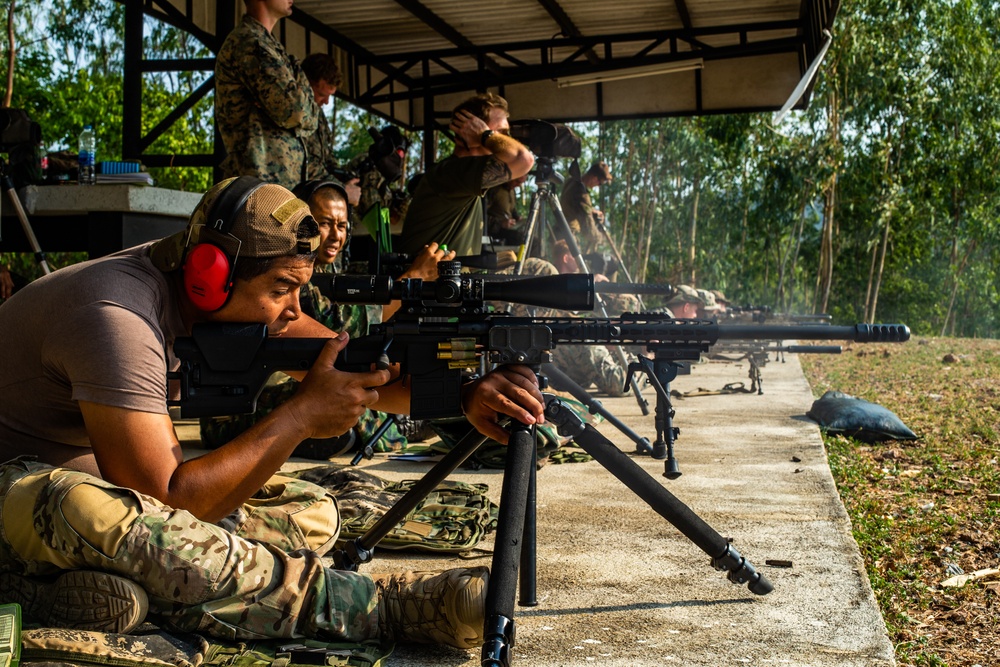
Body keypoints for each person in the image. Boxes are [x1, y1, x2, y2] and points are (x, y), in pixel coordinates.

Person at [0, 176, 546, 649]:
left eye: (299, 289)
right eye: (282, 289)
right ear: (208, 276)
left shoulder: (201, 281)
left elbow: (350, 361)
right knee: (107, 519)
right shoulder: (115, 317)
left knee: (315, 512)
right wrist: (298, 419)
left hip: (86, 488)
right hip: (25, 493)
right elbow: (168, 500)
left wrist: (468, 391)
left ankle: (57, 590)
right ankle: (379, 608)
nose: (294, 311)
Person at [199, 179, 454, 456]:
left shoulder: (319, 273)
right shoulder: (279, 268)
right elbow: (347, 328)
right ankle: (384, 427)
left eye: (342, 226)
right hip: (236, 408)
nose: (335, 235)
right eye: (324, 223)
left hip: (259, 394)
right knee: (333, 393)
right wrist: (412, 280)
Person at [398, 93, 534, 257]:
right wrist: (485, 135)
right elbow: (522, 159)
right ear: (472, 130)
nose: (504, 140)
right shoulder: (451, 173)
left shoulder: (465, 175)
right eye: (499, 132)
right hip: (431, 281)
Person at [215, 0, 319, 189]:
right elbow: (295, 111)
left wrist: (299, 107)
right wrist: (299, 107)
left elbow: (310, 116)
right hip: (257, 186)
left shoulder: (272, 48)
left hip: (277, 186)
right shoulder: (250, 42)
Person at [299, 52, 362, 207]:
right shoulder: (292, 114)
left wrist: (344, 178)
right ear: (304, 84)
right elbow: (305, 163)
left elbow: (327, 159)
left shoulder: (318, 115)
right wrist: (340, 189)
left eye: (330, 96)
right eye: (321, 94)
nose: (326, 102)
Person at [559, 161, 612, 255]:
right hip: (569, 238)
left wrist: (592, 211)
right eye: (600, 183)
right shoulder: (582, 194)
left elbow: (573, 206)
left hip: (560, 232)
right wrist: (601, 239)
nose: (597, 186)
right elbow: (589, 229)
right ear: (594, 178)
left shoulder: (572, 181)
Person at [485, 175, 528, 245]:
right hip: (494, 232)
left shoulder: (512, 191)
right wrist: (500, 223)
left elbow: (511, 209)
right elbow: (480, 216)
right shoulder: (494, 190)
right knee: (525, 239)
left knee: (530, 237)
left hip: (509, 231)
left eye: (521, 183)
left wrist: (517, 218)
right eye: (517, 181)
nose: (518, 185)